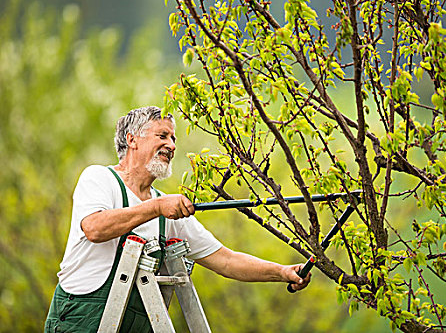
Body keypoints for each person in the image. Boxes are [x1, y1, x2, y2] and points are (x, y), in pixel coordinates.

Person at [45, 106, 310, 332]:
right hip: (80, 320)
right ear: (132, 139)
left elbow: (226, 260)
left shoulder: (167, 210)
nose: (171, 145)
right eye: (162, 136)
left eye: (173, 138)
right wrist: (157, 206)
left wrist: (283, 272)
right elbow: (95, 228)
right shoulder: (100, 179)